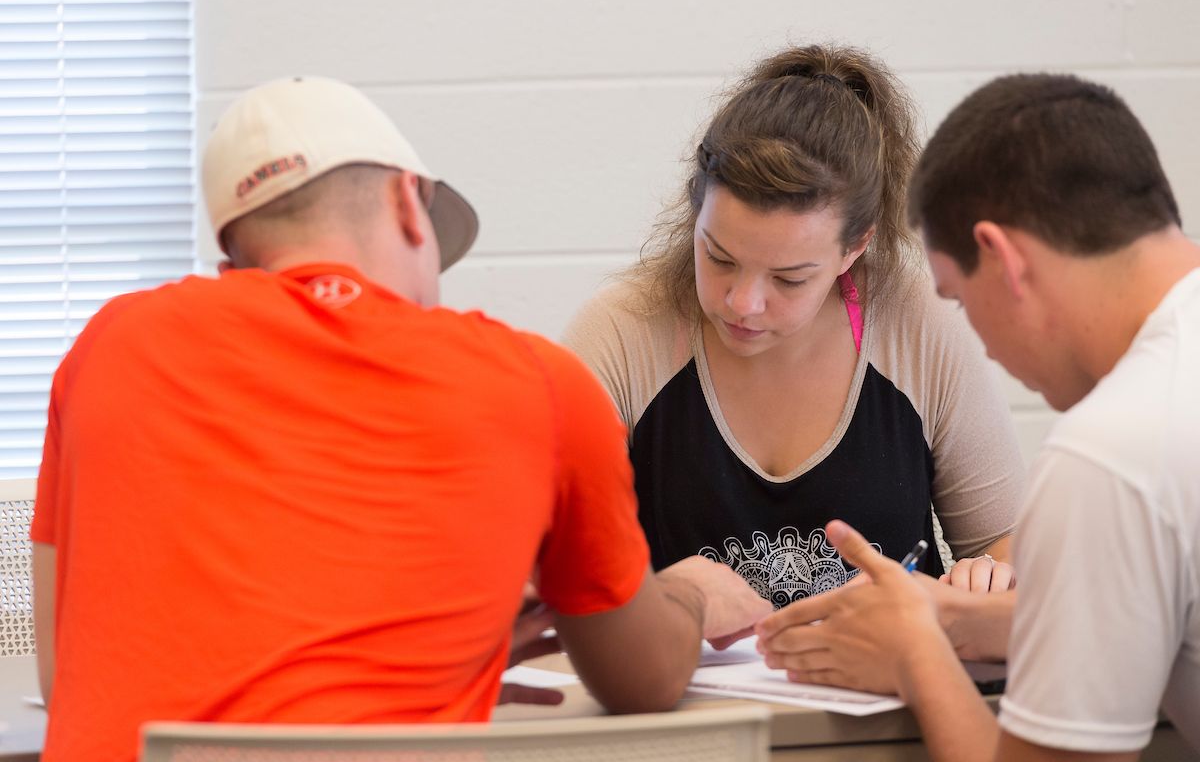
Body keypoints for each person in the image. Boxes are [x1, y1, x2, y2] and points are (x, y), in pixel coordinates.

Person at [29, 76, 772, 762]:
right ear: (405, 206)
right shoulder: (537, 383)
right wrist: (689, 596)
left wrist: (443, 660)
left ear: (234, 268)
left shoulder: (108, 349)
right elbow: (641, 682)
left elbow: (69, 684)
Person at [757, 72, 1200, 760]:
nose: (983, 347)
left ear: (1002, 258)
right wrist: (969, 619)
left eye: (959, 300)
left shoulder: (1113, 448)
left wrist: (916, 652)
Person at [562, 44, 1024, 607]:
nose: (743, 303)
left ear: (856, 247)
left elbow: (1006, 553)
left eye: (789, 278)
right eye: (720, 257)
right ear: (696, 210)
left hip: (882, 690)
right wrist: (668, 602)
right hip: (676, 695)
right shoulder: (621, 331)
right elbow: (551, 557)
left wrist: (987, 578)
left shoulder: (918, 325)